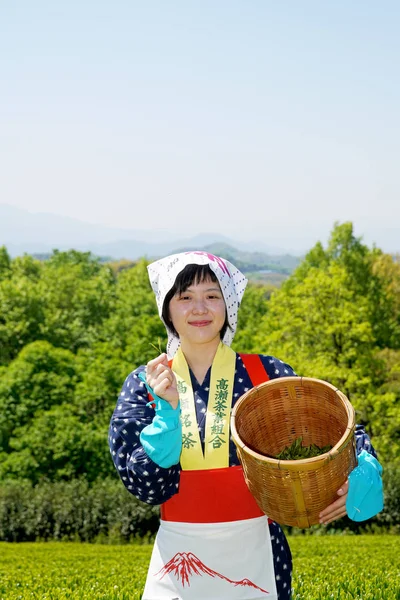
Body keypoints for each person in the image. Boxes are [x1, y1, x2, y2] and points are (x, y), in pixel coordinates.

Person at [109, 251, 382, 600]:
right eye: (185, 297)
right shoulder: (147, 383)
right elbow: (146, 489)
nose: (199, 309)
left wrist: (364, 465)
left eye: (212, 296)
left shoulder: (265, 374)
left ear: (229, 304)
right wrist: (167, 416)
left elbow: (334, 427)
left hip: (260, 551)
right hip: (177, 558)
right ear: (167, 309)